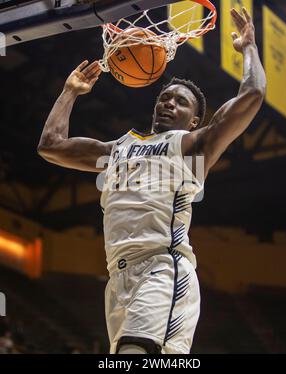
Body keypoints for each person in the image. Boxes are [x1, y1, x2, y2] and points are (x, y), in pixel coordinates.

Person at [38, 8, 266, 354]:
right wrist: (70, 91)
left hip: (163, 267)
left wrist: (249, 48)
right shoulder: (118, 148)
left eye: (181, 102)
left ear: (194, 121)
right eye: (164, 98)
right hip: (118, 276)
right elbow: (50, 146)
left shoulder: (191, 146)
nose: (169, 103)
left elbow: (251, 97)